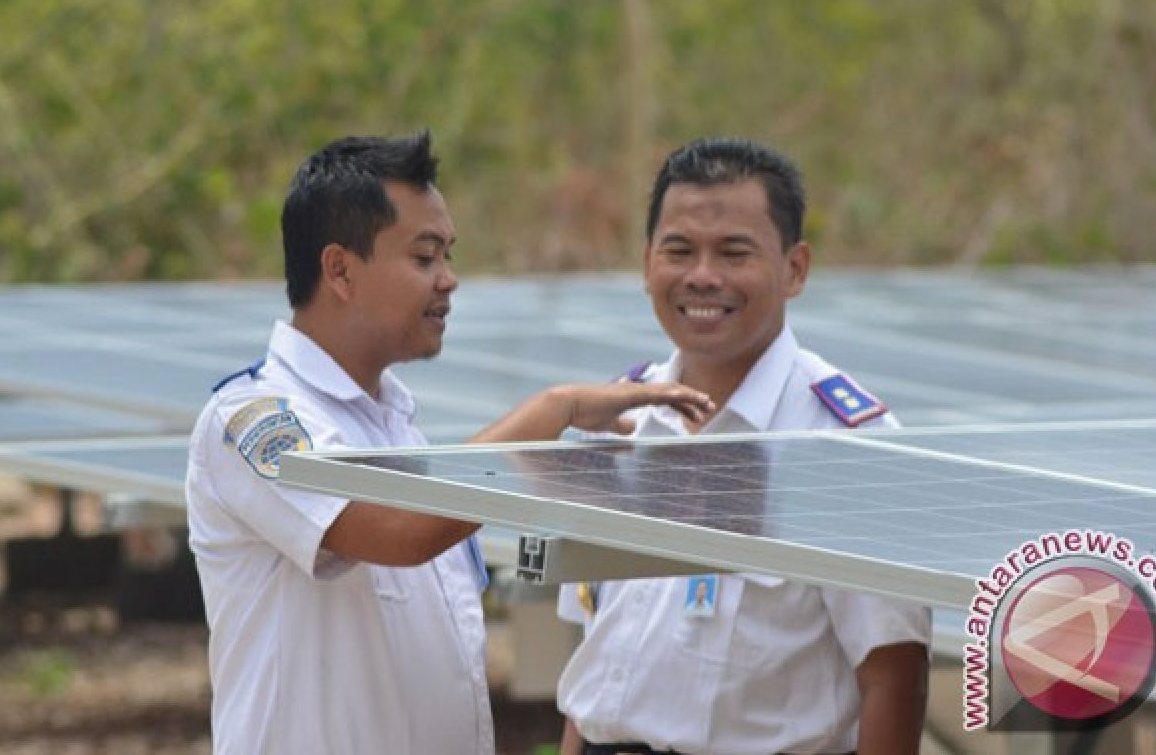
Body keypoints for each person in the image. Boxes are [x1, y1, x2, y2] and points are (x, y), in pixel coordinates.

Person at [184, 132, 714, 755]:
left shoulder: (396, 427)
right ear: (340, 270)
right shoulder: (251, 419)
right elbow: (397, 529)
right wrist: (554, 411)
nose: (449, 281)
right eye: (425, 257)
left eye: (446, 256)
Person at [556, 138, 931, 755]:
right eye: (679, 250)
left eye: (735, 252)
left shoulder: (845, 446)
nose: (703, 276)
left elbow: (892, 674)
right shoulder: (614, 423)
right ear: (648, 261)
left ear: (795, 269)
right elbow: (593, 664)